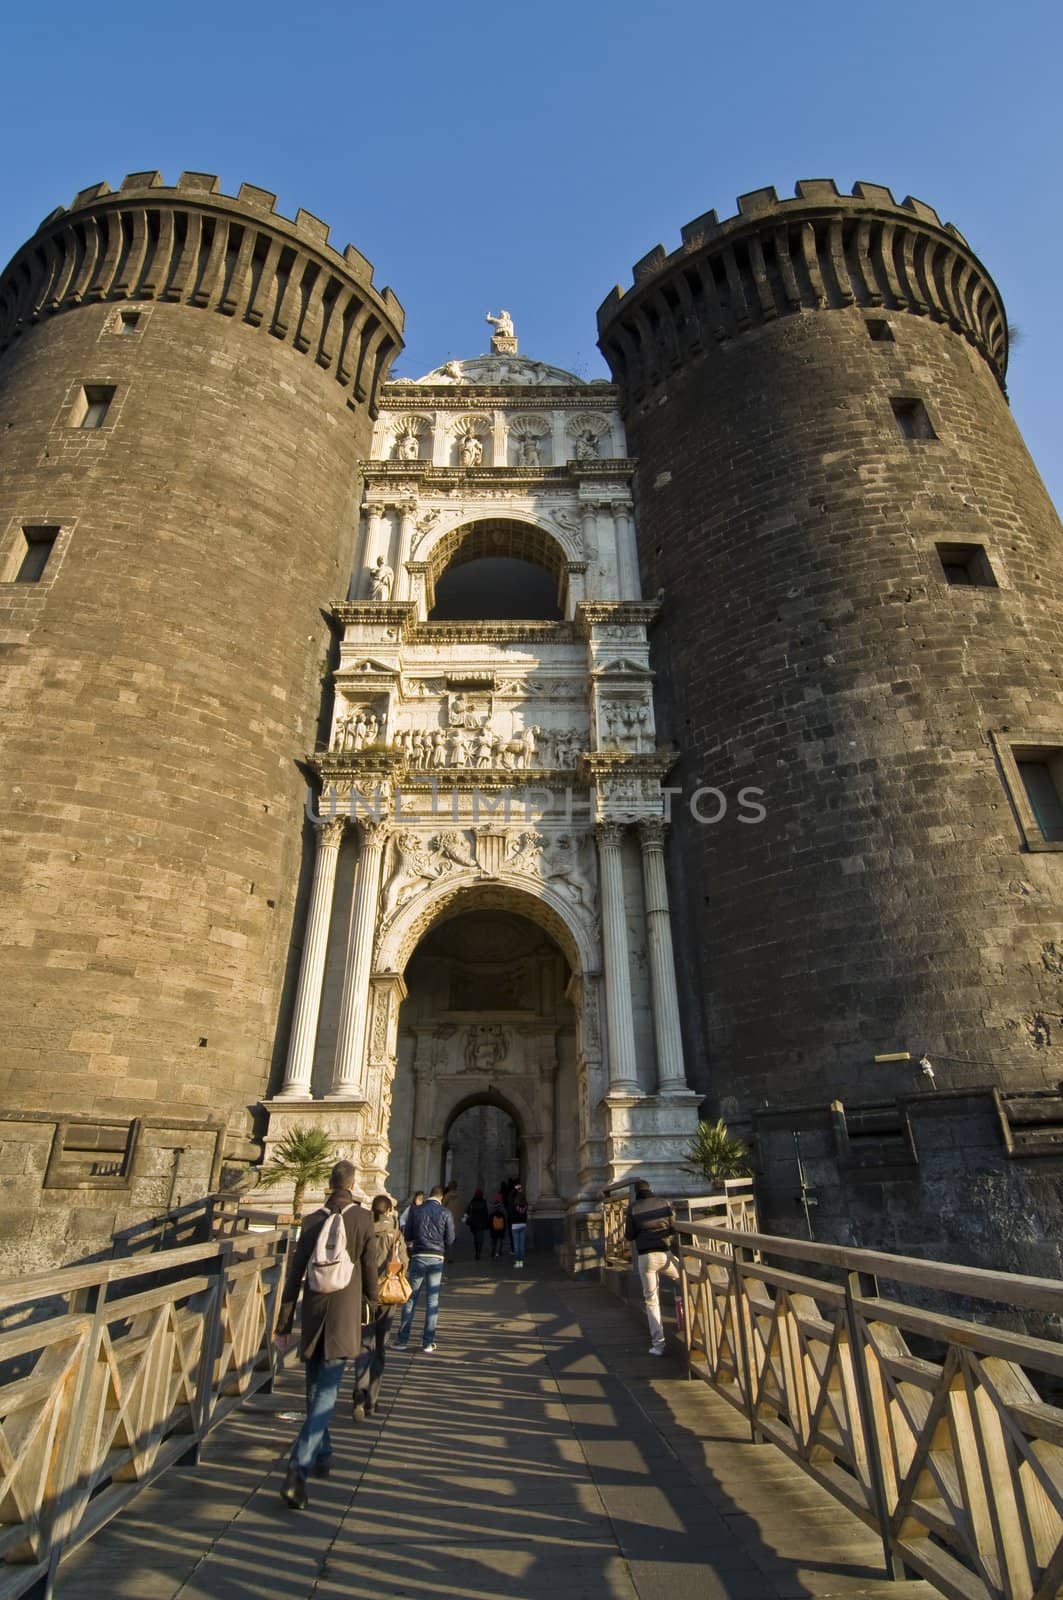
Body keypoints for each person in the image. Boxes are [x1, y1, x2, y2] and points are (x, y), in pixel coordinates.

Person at [274, 1160, 378, 1509]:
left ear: (329, 1184)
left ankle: (323, 1451)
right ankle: (297, 1469)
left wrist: (284, 1324)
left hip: (313, 1315)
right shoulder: (364, 1220)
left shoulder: (312, 1220)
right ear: (354, 1183)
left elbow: (293, 1276)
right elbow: (369, 1270)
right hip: (344, 1317)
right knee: (325, 1397)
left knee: (314, 1389)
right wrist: (373, 1305)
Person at [352, 1193, 408, 1422]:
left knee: (364, 1343)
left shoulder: (362, 1229)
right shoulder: (395, 1232)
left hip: (364, 1294)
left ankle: (360, 1388)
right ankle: (373, 1400)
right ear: (389, 1211)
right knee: (381, 1347)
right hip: (387, 1294)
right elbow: (404, 1262)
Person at [393, 1185, 454, 1352]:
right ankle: (428, 1342)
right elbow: (450, 1238)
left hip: (419, 1256)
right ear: (441, 1197)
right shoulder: (446, 1213)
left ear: (430, 1195)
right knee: (432, 1300)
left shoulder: (416, 1211)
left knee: (410, 1298)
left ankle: (402, 1340)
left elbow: (409, 1234)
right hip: (436, 1258)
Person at [625, 1178, 680, 1357]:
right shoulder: (664, 1203)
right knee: (686, 1282)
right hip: (665, 1254)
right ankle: (689, 1319)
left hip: (646, 1258)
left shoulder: (633, 1208)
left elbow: (630, 1235)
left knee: (651, 1301)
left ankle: (658, 1345)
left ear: (636, 1192)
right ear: (650, 1189)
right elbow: (673, 1227)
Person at [507, 1181, 529, 1269]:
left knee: (516, 1245)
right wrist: (520, 1192)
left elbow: (509, 1198)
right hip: (523, 1224)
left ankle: (517, 1262)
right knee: (522, 1245)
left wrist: (515, 1189)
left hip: (515, 1225)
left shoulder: (513, 1205)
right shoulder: (525, 1205)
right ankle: (521, 1262)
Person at [464, 1188, 490, 1260]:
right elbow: (486, 1213)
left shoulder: (472, 1202)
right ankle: (479, 1251)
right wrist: (487, 1222)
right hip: (481, 1223)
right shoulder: (484, 1202)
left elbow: (468, 1211)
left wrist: (465, 1219)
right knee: (481, 1239)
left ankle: (477, 1251)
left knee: (476, 1238)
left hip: (474, 1223)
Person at [443, 1181, 463, 1261]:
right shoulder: (459, 1196)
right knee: (452, 1238)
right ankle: (451, 1255)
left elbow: (442, 1206)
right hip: (456, 1220)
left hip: (448, 1219)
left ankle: (448, 1255)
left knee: (447, 1238)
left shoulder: (447, 1196)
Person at [488, 1194, 507, 1259]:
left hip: (494, 1228)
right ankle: (499, 1252)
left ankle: (493, 1253)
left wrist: (490, 1227)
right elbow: (505, 1217)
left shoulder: (492, 1208)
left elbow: (490, 1218)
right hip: (501, 1228)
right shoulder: (502, 1207)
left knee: (494, 1241)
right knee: (500, 1240)